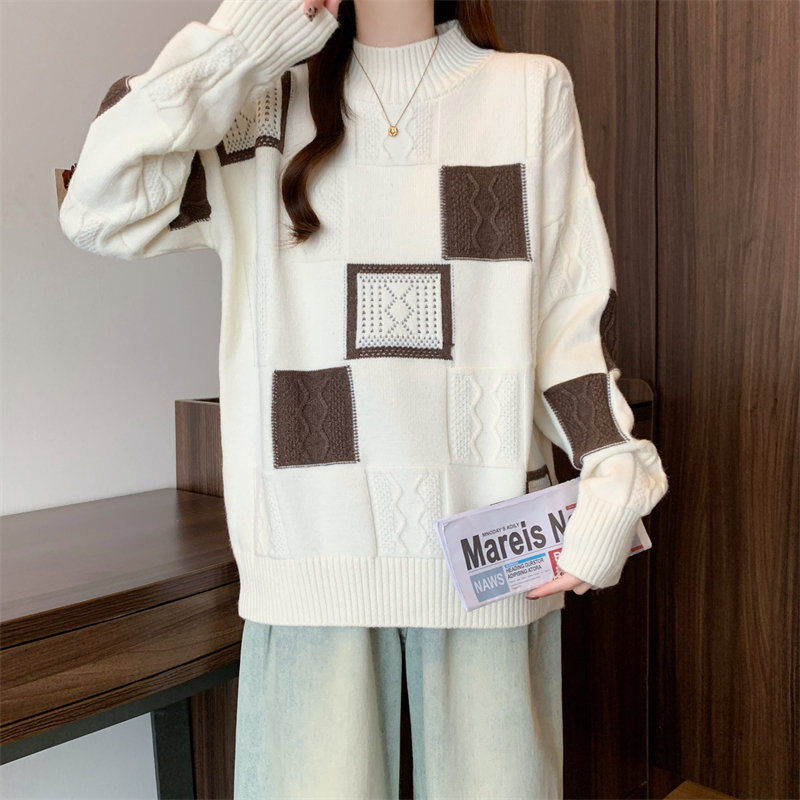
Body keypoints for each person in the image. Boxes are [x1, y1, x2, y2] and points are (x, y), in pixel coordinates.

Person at [59, 0, 669, 796]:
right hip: (310, 551)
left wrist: (616, 473)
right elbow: (98, 210)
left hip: (486, 546)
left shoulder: (528, 92)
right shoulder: (255, 104)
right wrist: (247, 37)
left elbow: (560, 326)